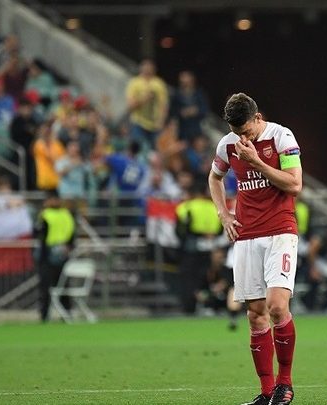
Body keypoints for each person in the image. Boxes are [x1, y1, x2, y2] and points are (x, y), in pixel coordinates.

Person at [208, 93, 302, 405]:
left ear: (258, 118)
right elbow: (214, 177)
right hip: (246, 235)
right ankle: (266, 392)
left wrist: (256, 162)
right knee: (255, 314)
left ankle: (284, 385)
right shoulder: (227, 144)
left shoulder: (281, 137)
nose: (243, 139)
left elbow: (294, 185)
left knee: (277, 307)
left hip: (280, 232)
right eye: (237, 133)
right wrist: (224, 214)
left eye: (247, 131)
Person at [175, 181, 223, 314]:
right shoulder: (214, 207)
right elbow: (220, 229)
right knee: (207, 278)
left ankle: (189, 307)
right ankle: (208, 306)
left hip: (191, 248)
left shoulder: (186, 207)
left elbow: (180, 231)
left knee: (189, 279)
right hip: (210, 248)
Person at [35, 192, 75, 322]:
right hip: (62, 254)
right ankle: (66, 314)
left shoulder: (46, 215)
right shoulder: (66, 214)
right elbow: (72, 234)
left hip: (47, 255)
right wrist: (69, 247)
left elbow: (37, 232)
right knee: (63, 286)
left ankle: (45, 316)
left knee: (46, 287)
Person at [125, 59, 168, 150]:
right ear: (141, 68)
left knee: (155, 151)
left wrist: (161, 121)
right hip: (138, 123)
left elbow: (163, 105)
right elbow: (130, 106)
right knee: (140, 150)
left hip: (155, 125)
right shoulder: (134, 83)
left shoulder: (159, 84)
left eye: (150, 67)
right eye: (145, 67)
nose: (147, 69)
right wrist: (144, 99)